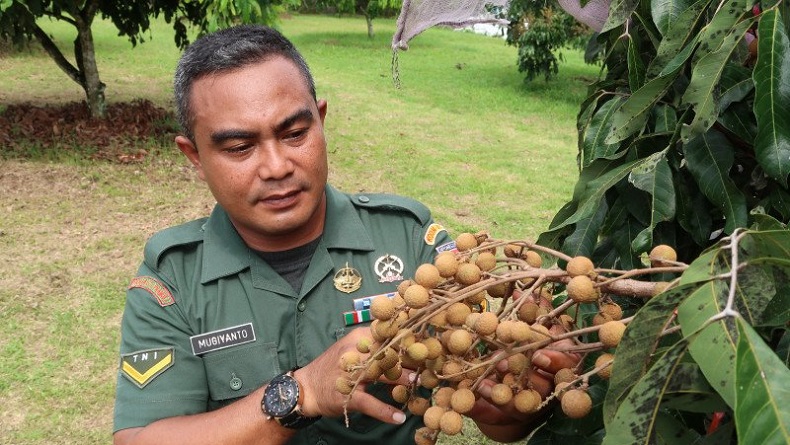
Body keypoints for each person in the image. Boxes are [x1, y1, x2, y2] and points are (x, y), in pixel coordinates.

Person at [113, 24, 576, 445]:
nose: (277, 168)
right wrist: (301, 393)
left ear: (321, 120)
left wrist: (522, 389)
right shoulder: (172, 279)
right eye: (239, 147)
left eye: (295, 133)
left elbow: (497, 419)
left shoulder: (411, 242)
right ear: (194, 157)